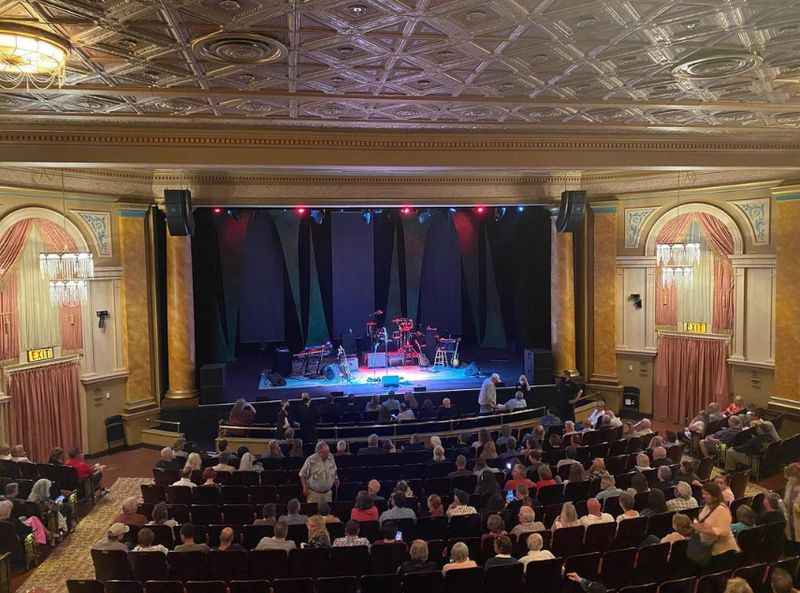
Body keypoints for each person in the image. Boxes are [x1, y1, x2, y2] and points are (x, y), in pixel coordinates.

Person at [693, 481, 740, 571]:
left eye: (706, 494)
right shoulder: (708, 506)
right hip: (711, 549)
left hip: (724, 553)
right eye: (703, 494)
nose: (703, 496)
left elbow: (719, 532)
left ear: (714, 496)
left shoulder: (722, 510)